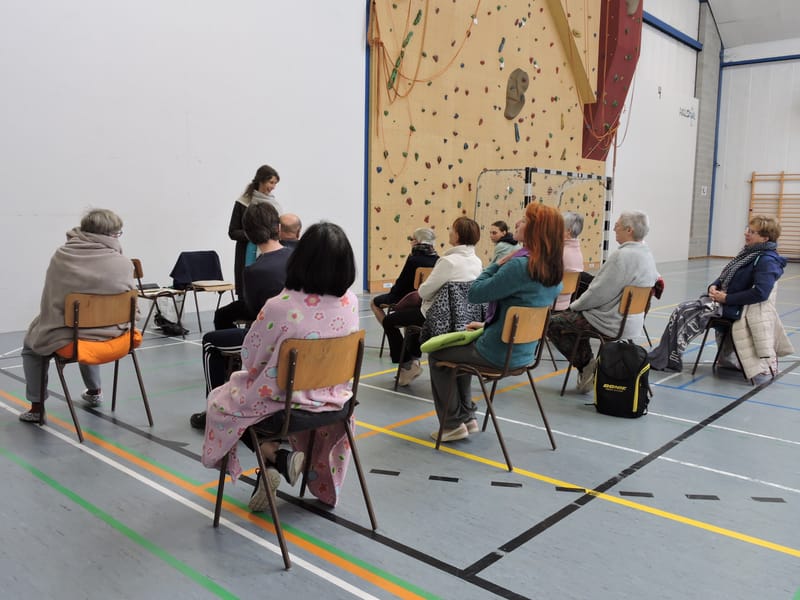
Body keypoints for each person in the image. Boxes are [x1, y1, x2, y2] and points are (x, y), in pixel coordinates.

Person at [202, 221, 360, 510]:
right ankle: (280, 459)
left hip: (286, 404)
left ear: (299, 259)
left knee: (219, 403)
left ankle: (273, 456)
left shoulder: (281, 305)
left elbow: (251, 356)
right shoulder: (350, 302)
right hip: (335, 400)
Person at [427, 203, 564, 442]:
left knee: (439, 354)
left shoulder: (520, 265)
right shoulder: (553, 270)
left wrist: (496, 264)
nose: (518, 223)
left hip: (498, 352)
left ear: (535, 230)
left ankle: (451, 424)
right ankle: (467, 418)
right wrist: (487, 326)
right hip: (524, 351)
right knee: (459, 350)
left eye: (524, 220)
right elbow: (524, 308)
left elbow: (476, 293)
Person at [19, 209, 136, 423]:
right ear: (110, 235)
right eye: (117, 234)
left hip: (73, 338)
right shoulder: (124, 263)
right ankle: (95, 391)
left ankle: (36, 407)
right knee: (88, 327)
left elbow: (50, 302)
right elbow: (133, 306)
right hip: (117, 338)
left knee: (32, 345)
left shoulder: (63, 257)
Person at [190, 202, 293, 430]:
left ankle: (214, 405)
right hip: (298, 338)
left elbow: (256, 315)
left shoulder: (254, 271)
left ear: (248, 234)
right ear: (277, 227)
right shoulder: (297, 259)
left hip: (271, 342)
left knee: (210, 342)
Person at [648, 215, 789, 373]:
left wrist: (727, 298)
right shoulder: (748, 253)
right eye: (747, 229)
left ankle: (669, 359)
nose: (746, 233)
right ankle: (665, 356)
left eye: (752, 231)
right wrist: (714, 286)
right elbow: (726, 276)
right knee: (681, 309)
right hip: (725, 302)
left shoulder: (767, 260)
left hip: (735, 309)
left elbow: (761, 293)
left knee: (684, 312)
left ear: (764, 238)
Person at [547, 210, 659, 393]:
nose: (614, 227)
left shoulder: (621, 256)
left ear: (629, 230)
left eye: (618, 225)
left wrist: (574, 307)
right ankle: (588, 364)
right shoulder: (647, 255)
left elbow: (597, 293)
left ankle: (586, 365)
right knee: (572, 319)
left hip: (610, 322)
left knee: (554, 323)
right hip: (632, 321)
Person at [383, 217, 482, 386]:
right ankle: (413, 361)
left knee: (389, 320)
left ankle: (407, 364)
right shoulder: (477, 261)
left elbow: (423, 291)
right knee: (413, 321)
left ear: (458, 235)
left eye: (452, 228)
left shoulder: (448, 261)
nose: (449, 231)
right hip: (464, 318)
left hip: (440, 317)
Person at [369, 227, 438, 326]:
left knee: (374, 303)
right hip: (425, 300)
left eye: (411, 239)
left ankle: (390, 329)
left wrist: (392, 293)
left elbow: (401, 284)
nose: (410, 242)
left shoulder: (413, 259)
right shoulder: (438, 260)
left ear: (417, 241)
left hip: (405, 297)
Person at [229, 165, 281, 296]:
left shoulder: (274, 204)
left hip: (269, 252)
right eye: (271, 182)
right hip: (246, 252)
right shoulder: (243, 203)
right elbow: (233, 231)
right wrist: (255, 234)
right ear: (261, 181)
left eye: (275, 183)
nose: (273, 186)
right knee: (247, 292)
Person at [554, 211, 585, 310]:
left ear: (568, 231)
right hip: (567, 302)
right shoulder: (577, 252)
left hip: (551, 303)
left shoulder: (560, 253)